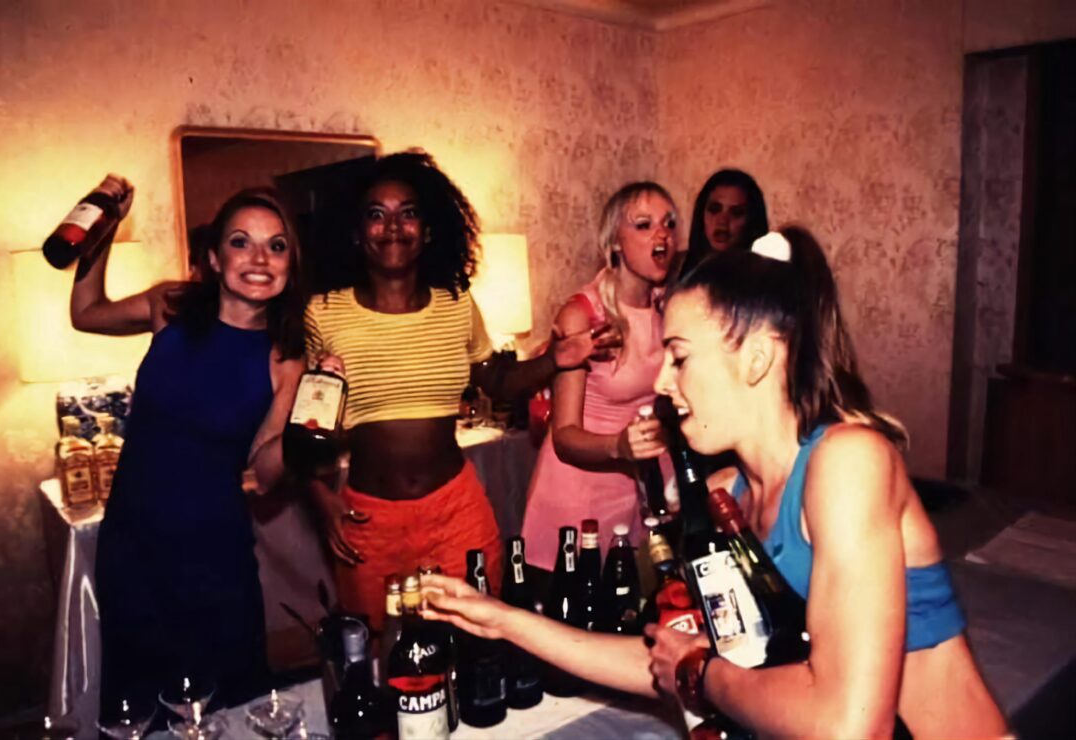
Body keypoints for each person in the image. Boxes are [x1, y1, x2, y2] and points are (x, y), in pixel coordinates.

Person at [420, 226, 1008, 738]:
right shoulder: (736, 493)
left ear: (755, 358)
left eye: (679, 357)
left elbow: (847, 724)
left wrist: (703, 676)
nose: (665, 385)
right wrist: (502, 619)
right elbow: (665, 659)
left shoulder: (848, 464)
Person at [303, 151, 608, 630]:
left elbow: (498, 381)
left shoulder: (456, 303)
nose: (393, 226)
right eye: (376, 215)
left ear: (427, 231)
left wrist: (556, 360)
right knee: (385, 658)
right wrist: (321, 498)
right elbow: (300, 426)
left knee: (477, 640)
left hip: (455, 512)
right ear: (357, 233)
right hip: (369, 522)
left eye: (408, 213)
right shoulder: (323, 313)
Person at [73, 176, 307, 709]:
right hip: (132, 550)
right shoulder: (170, 306)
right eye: (240, 241)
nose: (259, 258)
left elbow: (267, 476)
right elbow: (85, 313)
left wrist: (315, 412)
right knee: (140, 706)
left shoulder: (285, 359)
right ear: (214, 257)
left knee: (225, 704)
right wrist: (101, 231)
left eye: (277, 246)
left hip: (214, 559)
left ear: (291, 264)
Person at [520, 182, 677, 571]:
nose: (662, 235)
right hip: (581, 490)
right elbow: (564, 436)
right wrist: (619, 447)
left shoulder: (669, 305)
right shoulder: (583, 315)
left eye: (669, 224)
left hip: (644, 486)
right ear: (615, 242)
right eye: (643, 225)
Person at [680, 168, 769, 275]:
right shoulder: (677, 269)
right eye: (714, 209)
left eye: (736, 213)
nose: (722, 221)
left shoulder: (765, 276)